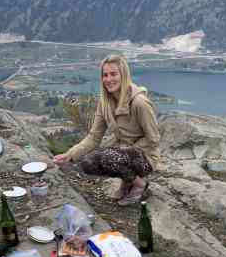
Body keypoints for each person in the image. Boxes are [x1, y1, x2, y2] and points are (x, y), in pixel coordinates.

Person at [53, 55, 160, 206]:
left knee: (110, 156)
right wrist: (70, 155)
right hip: (122, 154)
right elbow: (94, 137)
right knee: (88, 162)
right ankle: (128, 180)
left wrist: (126, 151)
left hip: (145, 157)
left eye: (113, 74)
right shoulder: (104, 103)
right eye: (105, 75)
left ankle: (139, 185)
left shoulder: (139, 103)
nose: (109, 79)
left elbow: (154, 139)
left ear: (124, 75)